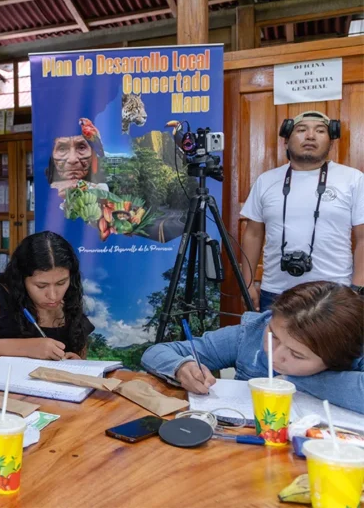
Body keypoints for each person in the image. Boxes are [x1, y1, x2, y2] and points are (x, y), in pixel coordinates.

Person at [141, 281, 364, 414]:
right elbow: (156, 352)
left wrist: (291, 382)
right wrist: (182, 366)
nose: (275, 355)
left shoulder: (353, 350)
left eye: (296, 354)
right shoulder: (253, 332)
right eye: (274, 336)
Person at [240, 110, 363, 310]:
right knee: (272, 343)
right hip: (275, 293)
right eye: (301, 130)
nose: (310, 136)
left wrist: (357, 289)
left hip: (335, 294)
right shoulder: (266, 180)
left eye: (320, 130)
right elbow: (253, 234)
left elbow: (363, 238)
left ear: (331, 142)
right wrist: (247, 283)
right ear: (286, 140)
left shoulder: (353, 179)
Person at [0, 231, 95, 362]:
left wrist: (74, 363)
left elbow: (80, 355)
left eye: (61, 283)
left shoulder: (70, 300)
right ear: (22, 279)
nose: (53, 296)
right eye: (41, 286)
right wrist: (26, 348)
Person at [47, 117, 109, 194]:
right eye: (62, 149)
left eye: (81, 148)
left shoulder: (101, 189)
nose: (72, 159)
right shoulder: (46, 191)